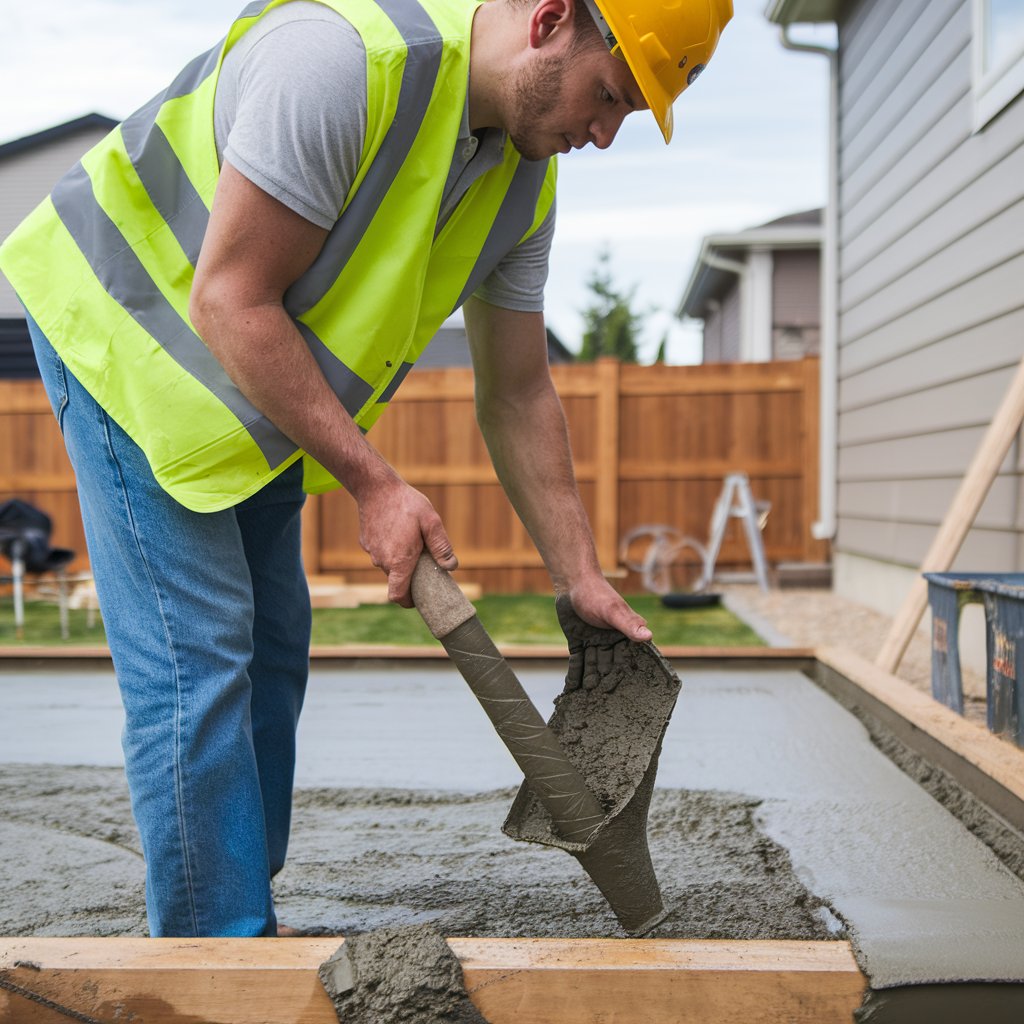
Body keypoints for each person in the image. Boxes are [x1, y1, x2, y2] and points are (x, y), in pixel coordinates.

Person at [0, 0, 732, 938]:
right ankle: (212, 959)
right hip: (125, 331)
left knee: (271, 652)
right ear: (550, 19)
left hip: (249, 380)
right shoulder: (338, 67)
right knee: (201, 661)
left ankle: (235, 915)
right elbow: (228, 297)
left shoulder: (520, 185)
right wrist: (376, 484)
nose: (605, 132)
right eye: (611, 95)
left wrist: (577, 576)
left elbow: (517, 392)